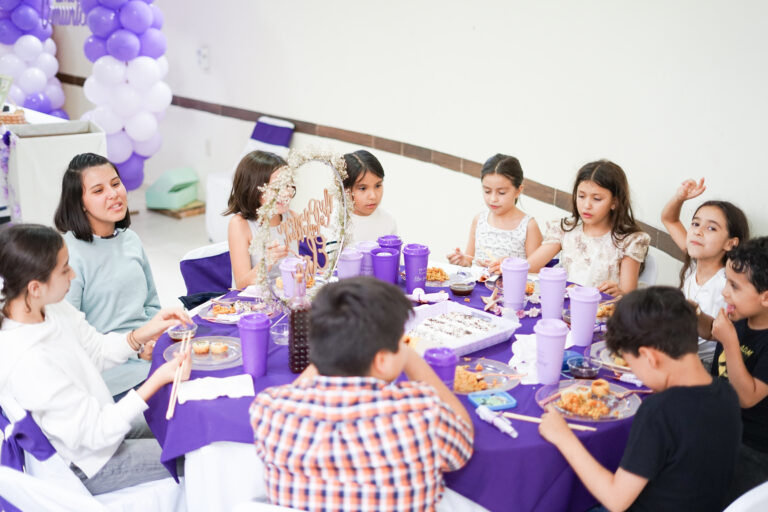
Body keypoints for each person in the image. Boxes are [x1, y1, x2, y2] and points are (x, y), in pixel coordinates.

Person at [249, 277, 475, 512]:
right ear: (382, 360)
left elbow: (292, 394)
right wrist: (410, 357)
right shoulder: (423, 412)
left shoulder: (270, 411)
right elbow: (464, 436)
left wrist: (329, 353)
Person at [0, 224, 191, 494]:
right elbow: (96, 433)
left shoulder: (49, 308)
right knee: (193, 456)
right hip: (91, 463)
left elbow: (96, 349)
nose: (73, 274)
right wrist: (157, 380)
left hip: (103, 426)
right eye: (65, 269)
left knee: (185, 421)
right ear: (35, 287)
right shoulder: (28, 360)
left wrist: (146, 331)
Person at [540, 286, 741, 512]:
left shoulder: (659, 412)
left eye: (632, 366)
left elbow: (616, 500)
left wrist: (564, 437)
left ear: (648, 357)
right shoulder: (728, 395)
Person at [54, 153, 160, 398]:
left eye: (115, 184)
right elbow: (70, 338)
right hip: (110, 380)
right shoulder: (67, 255)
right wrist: (135, 349)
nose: (113, 194)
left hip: (152, 361)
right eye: (98, 190)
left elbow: (151, 304)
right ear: (79, 202)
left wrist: (156, 338)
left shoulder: (131, 240)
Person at [527, 160, 650, 297]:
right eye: (581, 196)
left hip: (601, 311)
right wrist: (507, 264)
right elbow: (530, 267)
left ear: (614, 202)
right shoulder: (565, 229)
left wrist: (619, 293)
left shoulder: (629, 241)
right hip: (564, 306)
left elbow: (629, 297)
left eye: (596, 199)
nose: (586, 205)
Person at [661, 177, 749, 368]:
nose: (698, 232)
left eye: (711, 228)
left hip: (705, 365)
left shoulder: (729, 282)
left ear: (730, 243)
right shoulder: (694, 261)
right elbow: (669, 219)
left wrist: (694, 313)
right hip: (675, 349)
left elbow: (718, 333)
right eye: (695, 224)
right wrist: (680, 197)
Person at [711, 236, 768, 503]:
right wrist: (695, 316)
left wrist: (730, 342)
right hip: (721, 427)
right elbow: (713, 331)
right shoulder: (745, 317)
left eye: (734, 286)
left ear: (765, 297)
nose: (724, 292)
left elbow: (748, 397)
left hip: (753, 451)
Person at [447, 153, 542, 273]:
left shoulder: (528, 226)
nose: (493, 199)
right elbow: (469, 260)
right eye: (487, 191)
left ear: (518, 190)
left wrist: (510, 266)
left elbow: (534, 272)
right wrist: (461, 261)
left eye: (501, 193)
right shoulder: (479, 220)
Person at [225, 150, 298, 289]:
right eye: (277, 187)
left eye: (288, 185)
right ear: (253, 189)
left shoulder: (293, 217)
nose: (286, 192)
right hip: (257, 302)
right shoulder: (240, 225)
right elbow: (241, 284)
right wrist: (267, 261)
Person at [343, 150, 397, 244]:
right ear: (345, 189)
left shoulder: (388, 221)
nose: (373, 196)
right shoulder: (336, 224)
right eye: (363, 188)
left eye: (377, 186)